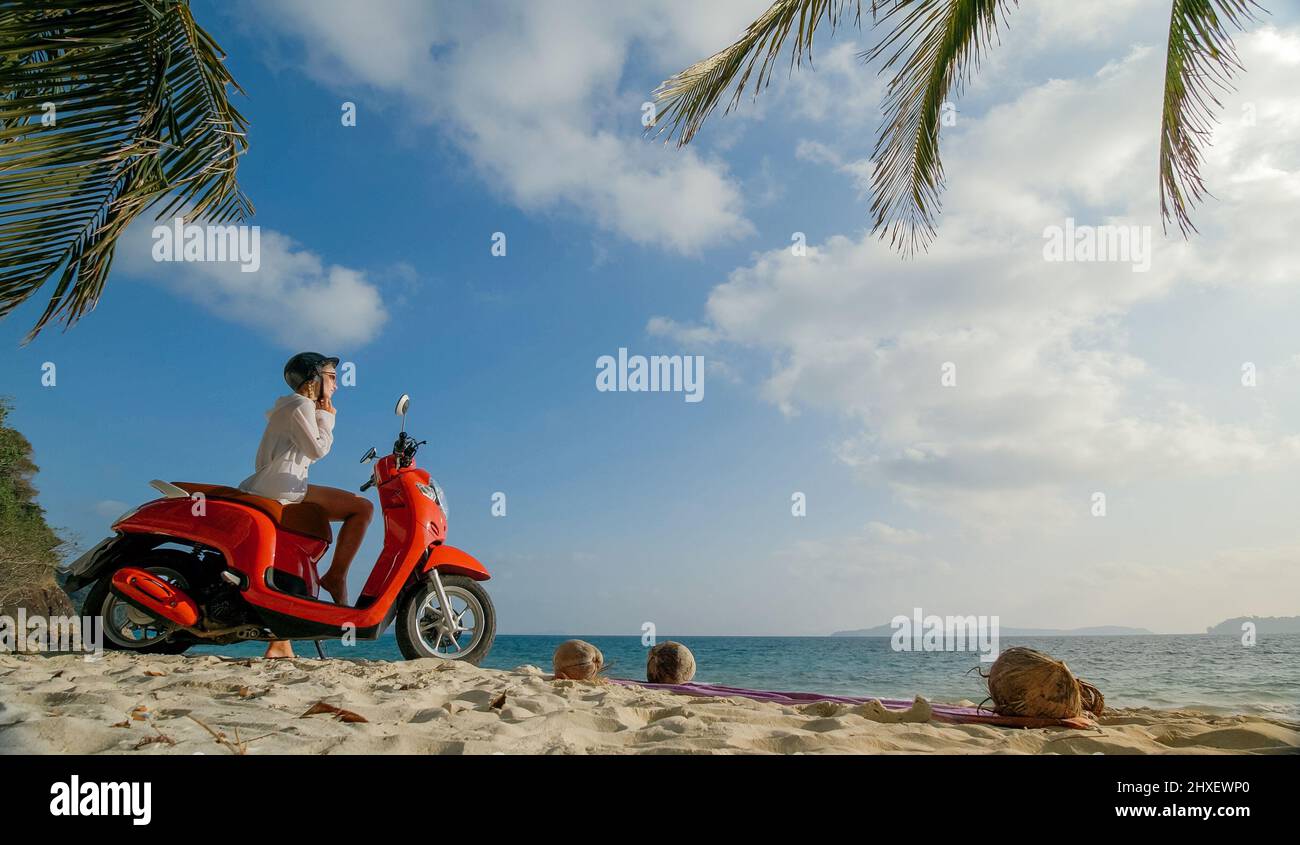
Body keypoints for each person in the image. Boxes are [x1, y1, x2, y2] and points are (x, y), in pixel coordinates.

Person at [238, 352, 374, 659]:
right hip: (281, 489)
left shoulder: (292, 407)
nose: (337, 386)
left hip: (284, 485)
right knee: (362, 508)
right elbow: (318, 449)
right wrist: (329, 418)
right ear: (314, 379)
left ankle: (281, 641)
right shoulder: (299, 405)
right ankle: (336, 575)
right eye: (332, 378)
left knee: (358, 508)